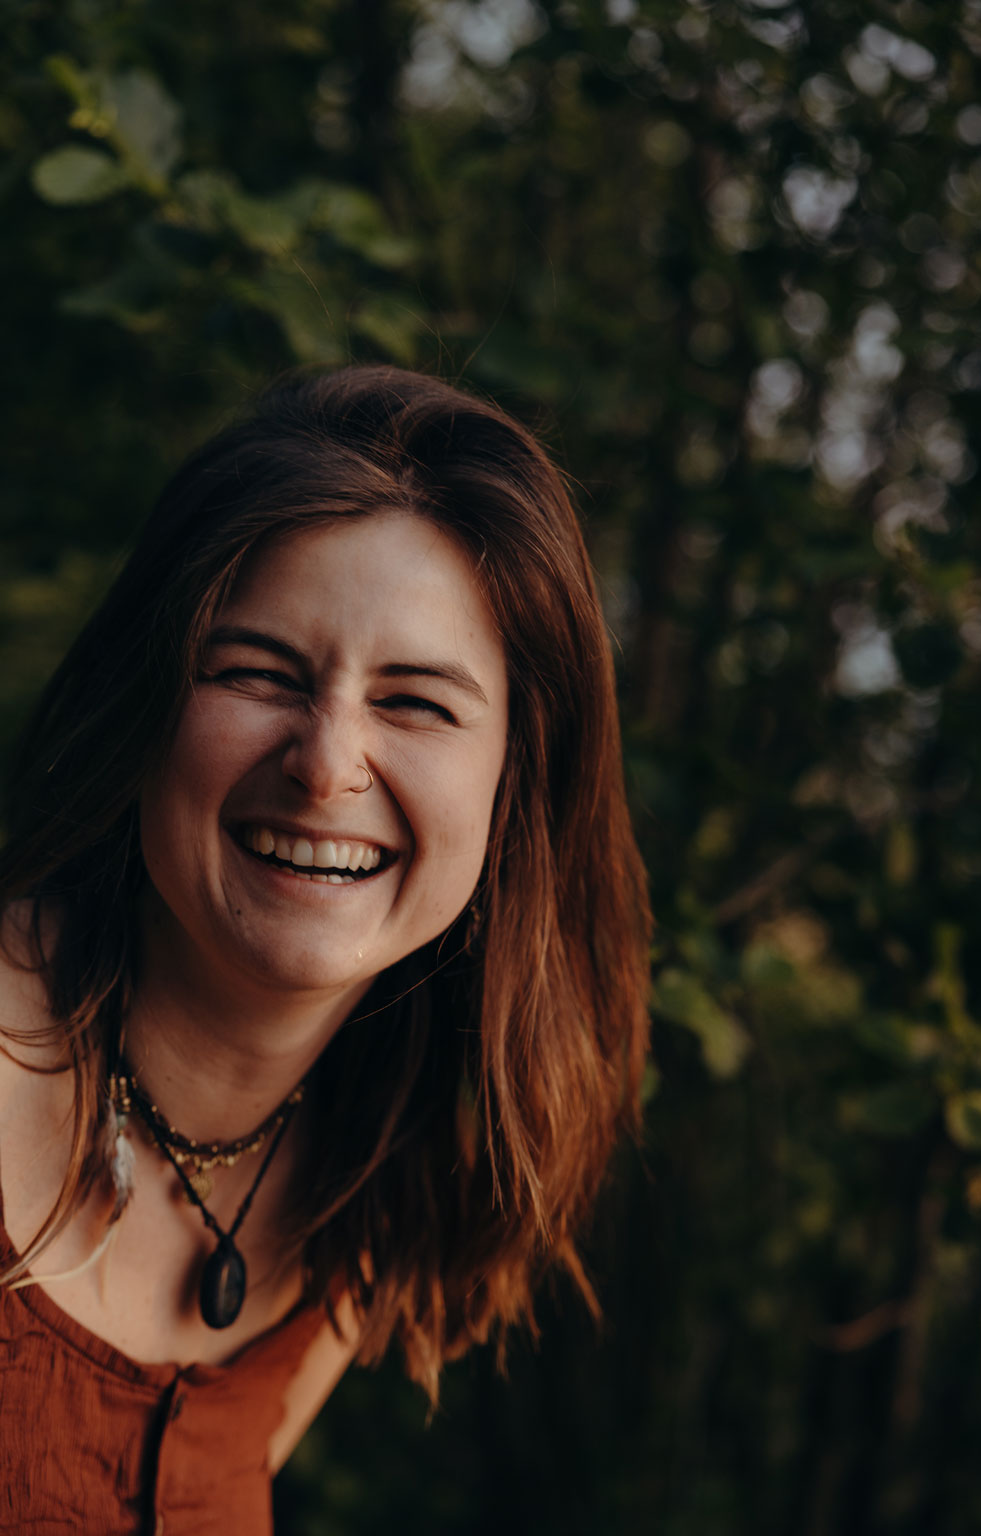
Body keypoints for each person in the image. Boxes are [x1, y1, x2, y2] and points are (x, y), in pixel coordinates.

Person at [0, 364, 651, 1533]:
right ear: (146, 701)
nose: (326, 761)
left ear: (514, 786)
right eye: (257, 673)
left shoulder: (380, 1179)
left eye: (416, 703)